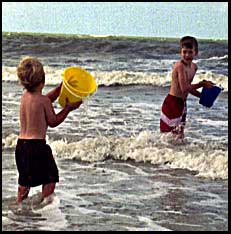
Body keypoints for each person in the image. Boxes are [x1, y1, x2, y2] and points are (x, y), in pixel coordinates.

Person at [15, 56, 82, 203]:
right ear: (42, 80)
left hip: (21, 146)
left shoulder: (25, 97)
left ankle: (19, 206)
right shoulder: (43, 101)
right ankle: (44, 206)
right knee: (50, 177)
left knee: (24, 182)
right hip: (37, 147)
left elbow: (43, 100)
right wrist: (68, 109)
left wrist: (59, 89)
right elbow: (53, 121)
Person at [160, 36, 214, 140]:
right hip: (172, 103)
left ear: (196, 52)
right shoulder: (179, 66)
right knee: (167, 137)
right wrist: (202, 84)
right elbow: (184, 88)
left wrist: (203, 97)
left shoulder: (194, 67)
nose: (187, 55)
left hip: (182, 104)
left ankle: (180, 155)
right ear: (180, 52)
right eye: (184, 52)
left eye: (190, 52)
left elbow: (189, 88)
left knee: (180, 136)